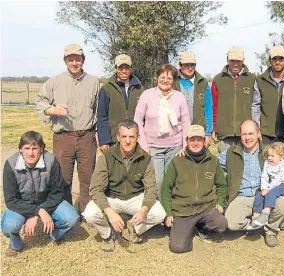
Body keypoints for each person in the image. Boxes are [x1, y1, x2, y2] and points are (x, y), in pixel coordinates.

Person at [82, 120, 166, 252]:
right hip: (112, 197)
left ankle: (135, 229)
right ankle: (107, 234)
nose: (127, 141)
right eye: (124, 136)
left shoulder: (146, 158)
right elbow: (95, 189)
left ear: (138, 137)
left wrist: (143, 210)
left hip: (135, 198)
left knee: (159, 213)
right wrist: (109, 212)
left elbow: (151, 189)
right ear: (118, 137)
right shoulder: (106, 157)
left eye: (131, 137)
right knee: (89, 214)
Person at [36, 43, 100, 214]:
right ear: (65, 61)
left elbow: (98, 110)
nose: (74, 63)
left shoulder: (94, 82)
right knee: (63, 177)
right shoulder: (55, 82)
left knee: (88, 176)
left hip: (87, 136)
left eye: (77, 59)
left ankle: (86, 211)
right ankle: (66, 212)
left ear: (83, 61)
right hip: (63, 137)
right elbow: (40, 101)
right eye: (70, 59)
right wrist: (52, 110)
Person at [218, 120, 284, 247]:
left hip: (265, 194)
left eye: (251, 134)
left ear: (258, 134)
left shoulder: (268, 152)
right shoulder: (231, 153)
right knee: (231, 223)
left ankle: (270, 230)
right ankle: (254, 225)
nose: (248, 138)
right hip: (242, 196)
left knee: (283, 205)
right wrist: (186, 152)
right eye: (244, 134)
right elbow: (212, 162)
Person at [1, 131, 79, 257]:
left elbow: (57, 193)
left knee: (71, 218)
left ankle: (54, 233)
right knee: (8, 225)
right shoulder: (10, 164)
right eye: (26, 148)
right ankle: (16, 244)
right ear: (20, 149)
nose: (30, 153)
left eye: (35, 148)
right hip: (22, 204)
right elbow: (11, 200)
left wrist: (39, 212)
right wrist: (37, 212)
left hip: (47, 201)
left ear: (42, 148)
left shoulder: (52, 161)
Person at [161, 125, 228, 253]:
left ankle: (201, 227)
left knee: (222, 224)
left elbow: (222, 185)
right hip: (183, 211)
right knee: (178, 247)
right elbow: (166, 189)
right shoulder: (177, 160)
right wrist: (169, 213)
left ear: (204, 141)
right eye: (192, 139)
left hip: (205, 208)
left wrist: (219, 202)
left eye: (199, 139)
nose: (196, 143)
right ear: (187, 141)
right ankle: (186, 229)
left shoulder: (213, 161)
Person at [134, 64, 190, 199]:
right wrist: (143, 145)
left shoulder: (179, 97)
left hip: (175, 147)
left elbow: (186, 122)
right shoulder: (147, 95)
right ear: (157, 77)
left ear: (174, 80)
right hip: (153, 147)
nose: (165, 80)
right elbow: (137, 120)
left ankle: (171, 212)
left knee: (172, 180)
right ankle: (159, 211)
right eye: (162, 77)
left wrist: (185, 145)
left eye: (169, 78)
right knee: (158, 182)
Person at [211, 46, 259, 153]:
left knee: (245, 165)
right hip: (225, 133)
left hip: (246, 134)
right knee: (227, 164)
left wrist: (256, 128)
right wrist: (214, 127)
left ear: (243, 60)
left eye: (238, 61)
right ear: (227, 60)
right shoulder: (218, 79)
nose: (235, 64)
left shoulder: (252, 79)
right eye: (232, 61)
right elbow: (214, 106)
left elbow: (256, 105)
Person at [97, 54, 144, 152]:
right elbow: (102, 116)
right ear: (115, 69)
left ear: (131, 69)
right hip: (114, 140)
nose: (124, 71)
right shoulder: (106, 88)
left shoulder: (139, 88)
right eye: (120, 67)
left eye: (127, 67)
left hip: (135, 139)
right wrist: (104, 141)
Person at [248, 142, 284, 230]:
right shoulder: (267, 163)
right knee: (259, 195)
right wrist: (264, 188)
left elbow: (280, 179)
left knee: (272, 193)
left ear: (281, 157)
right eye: (269, 155)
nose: (270, 158)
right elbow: (264, 177)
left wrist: (269, 189)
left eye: (273, 156)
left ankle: (265, 213)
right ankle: (255, 219)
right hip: (272, 186)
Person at [255, 45, 284, 144]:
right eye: (274, 59)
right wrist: (256, 129)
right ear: (269, 61)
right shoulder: (260, 80)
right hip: (267, 135)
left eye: (281, 58)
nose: (277, 62)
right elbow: (256, 107)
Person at [174, 51, 213, 148]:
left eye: (192, 65)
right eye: (187, 65)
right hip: (177, 133)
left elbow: (208, 110)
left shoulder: (203, 83)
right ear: (180, 65)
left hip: (198, 132)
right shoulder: (173, 82)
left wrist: (208, 133)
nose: (190, 68)